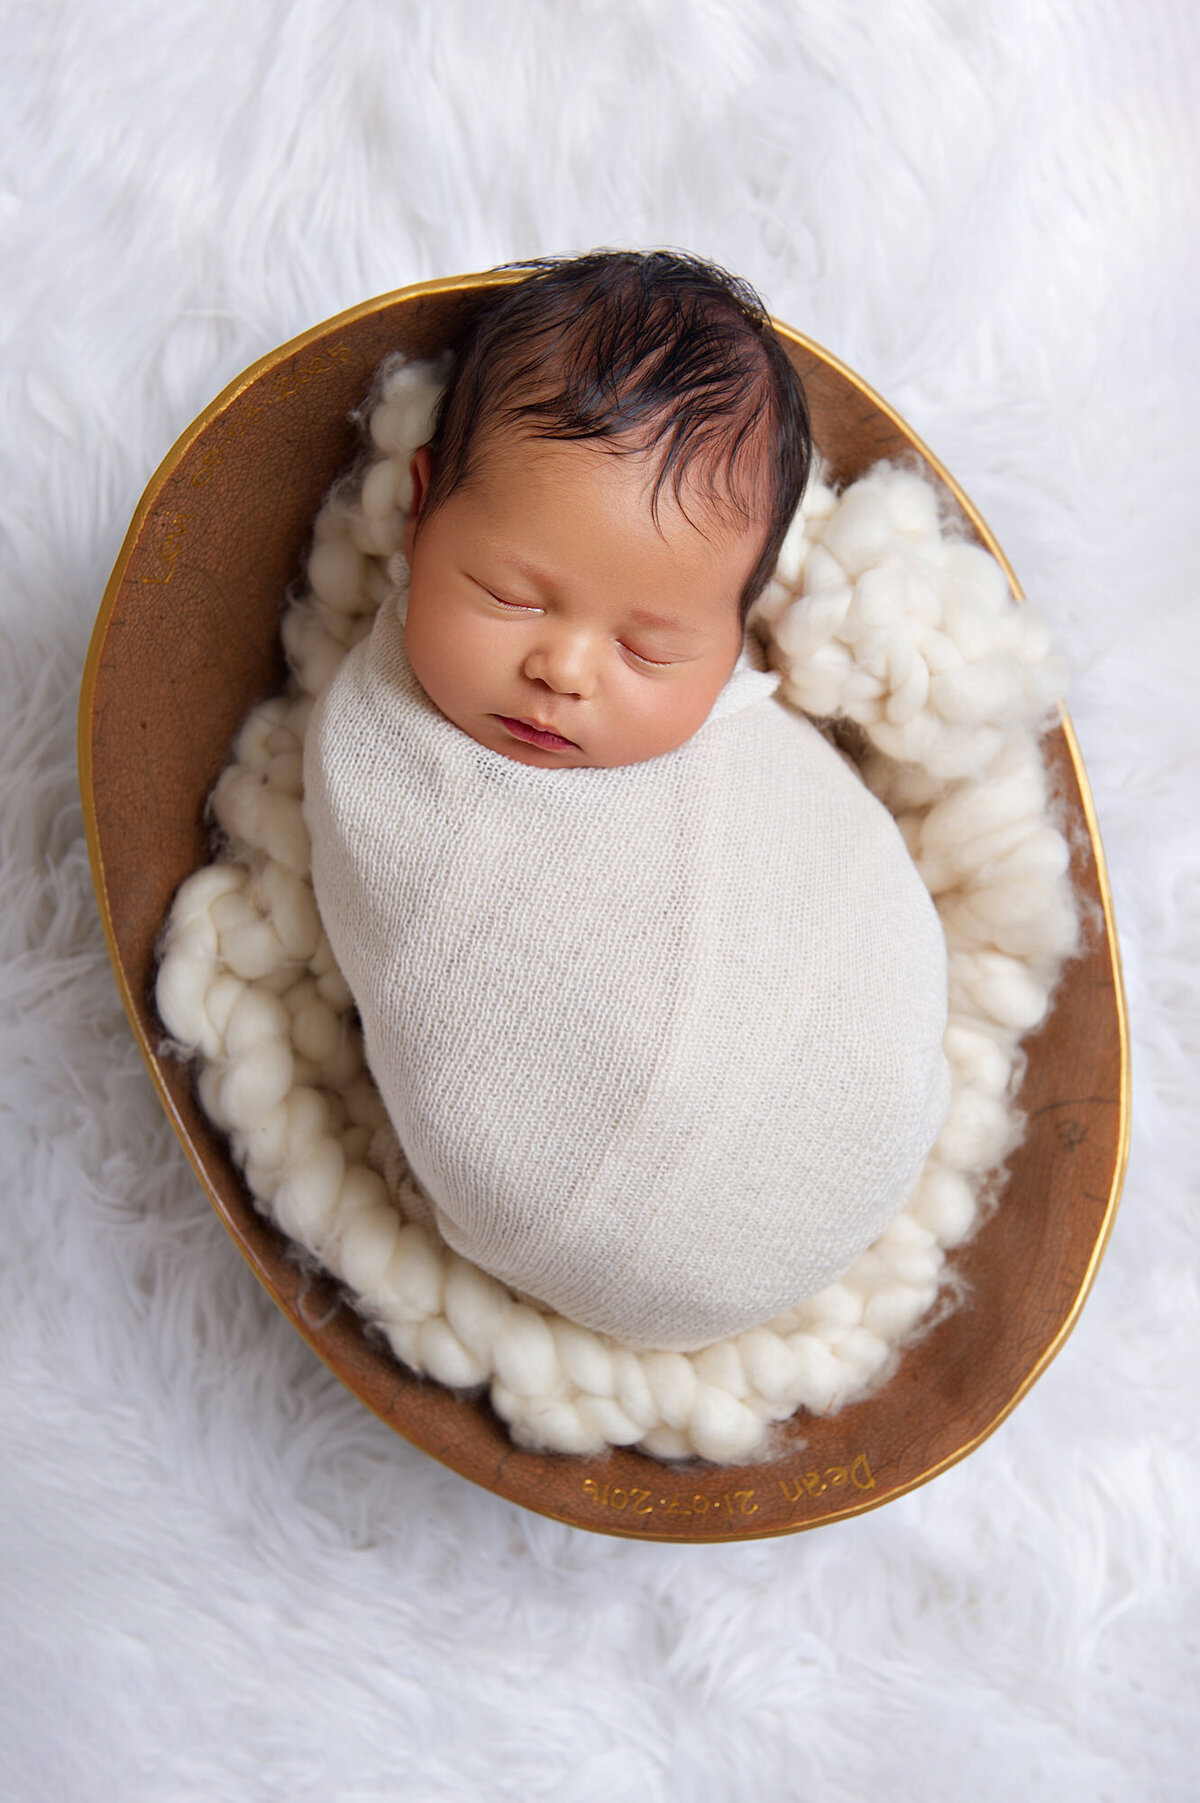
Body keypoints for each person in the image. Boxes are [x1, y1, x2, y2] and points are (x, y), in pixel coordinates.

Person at [303, 251, 950, 1352]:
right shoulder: (378, 747)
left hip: (859, 1098)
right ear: (419, 516)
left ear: (740, 631)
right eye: (509, 596)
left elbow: (815, 861)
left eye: (651, 647)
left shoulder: (742, 729)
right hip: (549, 1219)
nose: (564, 670)